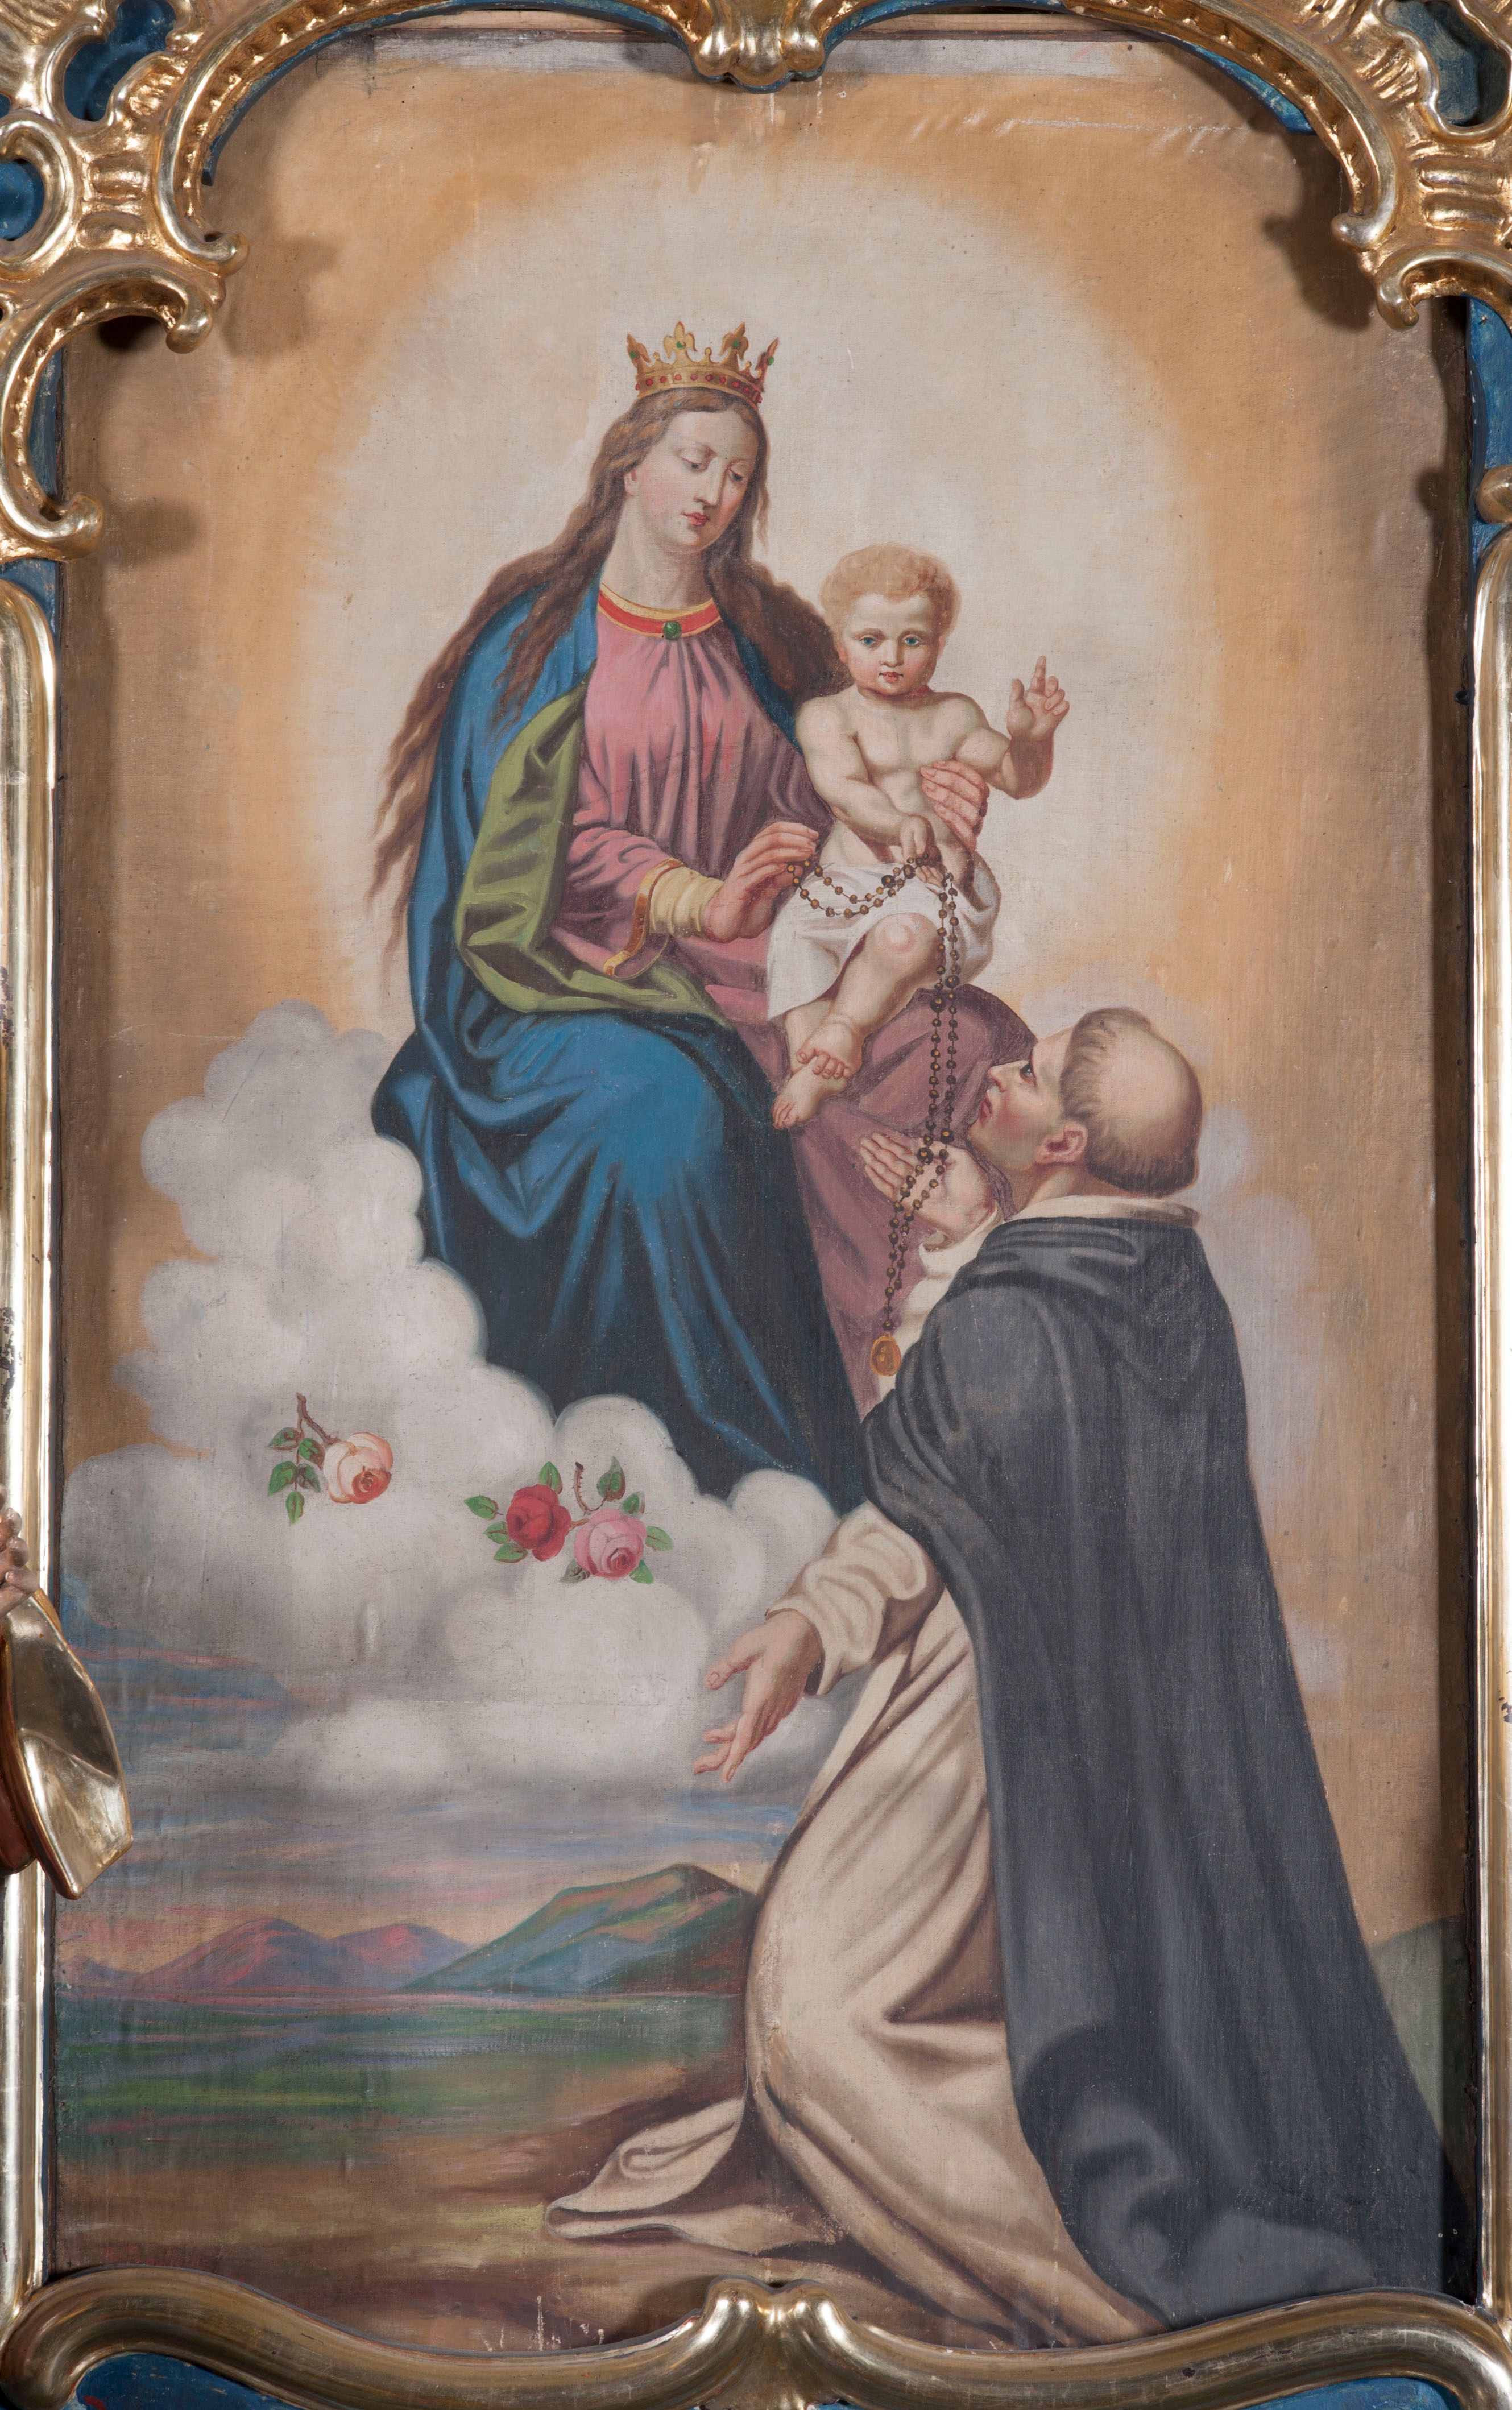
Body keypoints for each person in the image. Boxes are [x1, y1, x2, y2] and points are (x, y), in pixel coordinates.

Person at [551, 1008, 1466, 2338]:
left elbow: (923, 1513)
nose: (999, 1070)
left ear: (1064, 1145)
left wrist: (813, 1623)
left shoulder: (1020, 1315)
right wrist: (812, 1627)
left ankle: (1113, 2299)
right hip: (1102, 1753)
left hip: (998, 1736)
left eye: (1029, 1076)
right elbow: (970, 1493)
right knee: (920, 2009)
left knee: (817, 2010)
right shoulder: (1158, 1290)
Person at [368, 323, 996, 1500]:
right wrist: (699, 898)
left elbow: (838, 781)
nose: (714, 493)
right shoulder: (538, 644)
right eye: (694, 460)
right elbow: (527, 854)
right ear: (629, 463)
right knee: (667, 1118)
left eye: (738, 475)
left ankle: (925, 1430)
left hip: (765, 957)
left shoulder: (768, 636)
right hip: (570, 976)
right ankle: (729, 1470)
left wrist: (931, 801)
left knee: (964, 1045)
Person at [768, 545, 1067, 1128]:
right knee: (796, 944)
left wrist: (1032, 740)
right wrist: (899, 823)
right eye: (870, 639)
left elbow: (1016, 778)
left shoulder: (953, 715)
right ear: (840, 644)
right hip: (843, 884)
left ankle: (846, 1030)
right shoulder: (828, 716)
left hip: (929, 888)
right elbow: (846, 792)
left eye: (912, 640)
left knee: (901, 938)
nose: (892, 657)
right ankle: (812, 1064)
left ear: (938, 645)